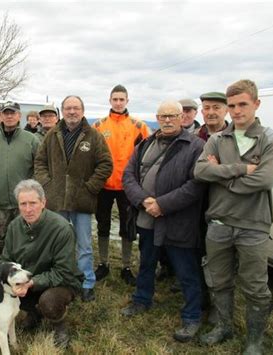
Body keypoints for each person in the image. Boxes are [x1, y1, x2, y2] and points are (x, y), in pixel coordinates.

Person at [194, 79, 273, 354]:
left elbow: (264, 180)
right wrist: (242, 169)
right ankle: (223, 326)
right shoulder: (218, 139)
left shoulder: (271, 139)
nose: (237, 110)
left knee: (256, 286)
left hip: (253, 225)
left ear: (256, 103)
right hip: (219, 222)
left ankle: (255, 341)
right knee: (219, 280)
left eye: (243, 104)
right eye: (232, 106)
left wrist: (222, 175)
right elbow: (199, 172)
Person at [121, 100, 205, 343]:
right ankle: (141, 300)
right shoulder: (146, 143)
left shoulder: (195, 146)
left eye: (172, 116)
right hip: (147, 217)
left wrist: (163, 205)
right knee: (146, 262)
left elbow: (196, 185)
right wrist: (144, 201)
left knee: (186, 270)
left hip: (178, 221)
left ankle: (191, 317)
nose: (167, 120)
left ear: (182, 117)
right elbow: (128, 175)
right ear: (157, 118)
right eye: (163, 116)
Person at [0, 179, 81, 348]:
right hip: (27, 279)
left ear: (43, 202)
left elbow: (63, 272)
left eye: (33, 203)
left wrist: (31, 283)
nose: (28, 209)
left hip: (62, 282)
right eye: (23, 204)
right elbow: (6, 260)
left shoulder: (61, 229)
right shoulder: (14, 226)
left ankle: (59, 325)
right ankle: (34, 313)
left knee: (49, 302)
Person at [35, 95, 113, 302]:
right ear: (62, 111)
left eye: (76, 108)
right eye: (68, 108)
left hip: (82, 201)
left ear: (82, 111)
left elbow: (106, 164)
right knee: (58, 242)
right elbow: (40, 162)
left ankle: (87, 282)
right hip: (56, 201)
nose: (72, 112)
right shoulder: (52, 135)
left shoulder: (94, 136)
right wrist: (48, 185)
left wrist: (90, 188)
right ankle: (62, 279)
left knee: (84, 245)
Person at [92, 85, 150, 284]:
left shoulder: (138, 126)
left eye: (121, 99)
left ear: (127, 101)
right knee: (103, 224)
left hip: (127, 186)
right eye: (115, 99)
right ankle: (103, 263)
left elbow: (148, 154)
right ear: (110, 100)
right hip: (104, 186)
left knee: (127, 226)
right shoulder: (98, 126)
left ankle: (126, 266)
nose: (118, 103)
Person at [0, 101, 40, 265]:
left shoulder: (31, 140)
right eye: (6, 113)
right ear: (1, 116)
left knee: (27, 237)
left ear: (19, 116)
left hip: (25, 203)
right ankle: (3, 272)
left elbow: (40, 167)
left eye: (12, 113)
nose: (9, 116)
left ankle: (27, 270)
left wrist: (31, 191)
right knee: (1, 239)